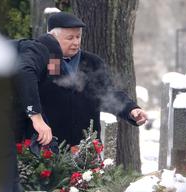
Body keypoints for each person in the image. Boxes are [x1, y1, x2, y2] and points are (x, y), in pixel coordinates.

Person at [14, 11, 148, 147]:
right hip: (48, 145)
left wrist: (131, 109)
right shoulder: (42, 60)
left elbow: (108, 94)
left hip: (85, 146)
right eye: (70, 38)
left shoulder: (92, 62)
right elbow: (25, 83)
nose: (76, 42)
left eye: (78, 37)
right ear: (52, 37)